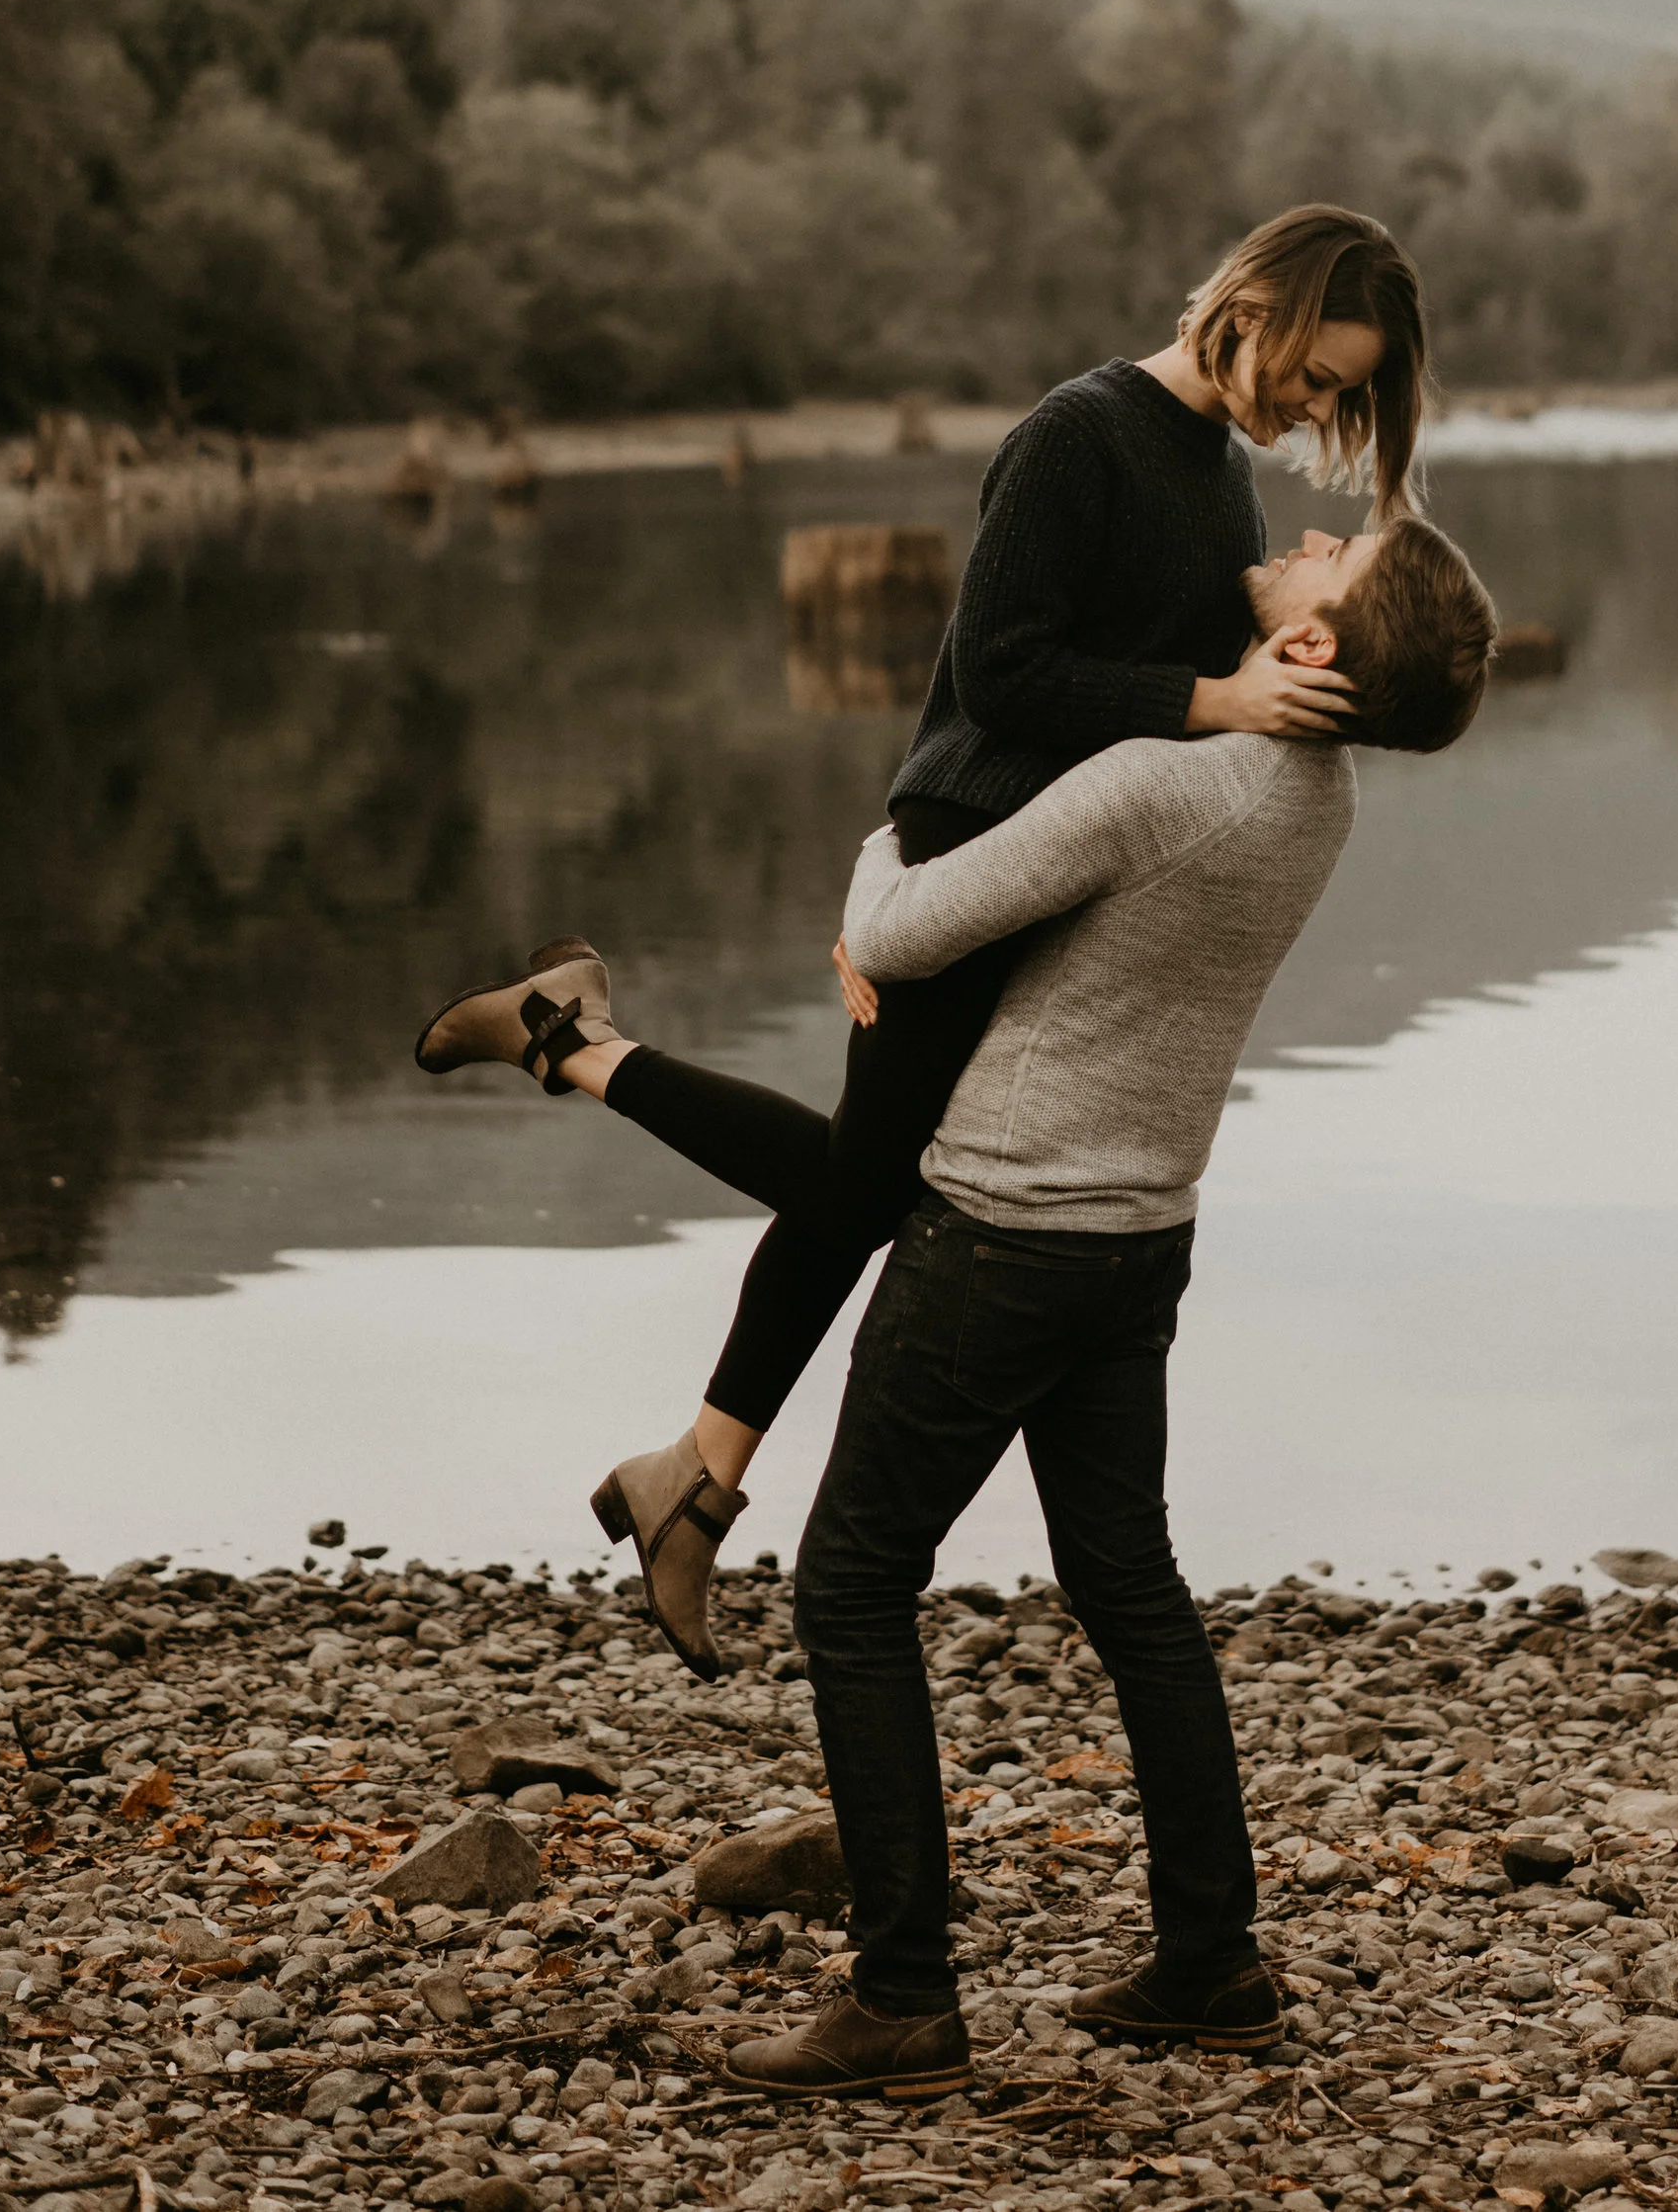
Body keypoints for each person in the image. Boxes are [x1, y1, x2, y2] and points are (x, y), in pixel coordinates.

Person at [414, 205, 1432, 1671]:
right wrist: (906, 885)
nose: (1316, 405)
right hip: (972, 845)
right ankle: (568, 1042)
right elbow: (1000, 678)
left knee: (866, 1183)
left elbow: (1164, 712)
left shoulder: (1220, 481)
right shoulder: (1078, 434)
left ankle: (692, 1476)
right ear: (1256, 301)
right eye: (1318, 369)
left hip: (1042, 879)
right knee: (868, 1183)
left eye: (1342, 395)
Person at [715, 512, 1498, 2098]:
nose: (1317, 531)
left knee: (852, 1585)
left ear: (1312, 649)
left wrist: (876, 857)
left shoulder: (1167, 780)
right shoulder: (1316, 796)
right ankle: (1213, 1963)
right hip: (1143, 1227)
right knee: (1127, 1583)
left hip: (1006, 1220)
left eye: (1336, 559)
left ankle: (902, 1998)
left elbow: (901, 925)